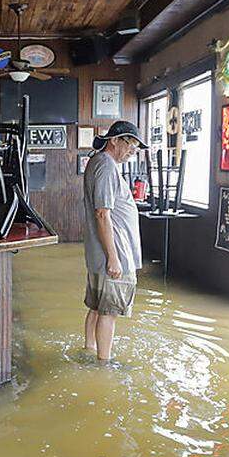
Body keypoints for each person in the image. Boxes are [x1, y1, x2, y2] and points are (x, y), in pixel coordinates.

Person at [83, 121, 146, 362]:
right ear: (115, 140)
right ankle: (104, 364)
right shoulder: (107, 167)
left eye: (136, 146)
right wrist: (114, 258)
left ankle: (89, 351)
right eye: (130, 143)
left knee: (97, 307)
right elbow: (102, 213)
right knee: (109, 312)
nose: (133, 150)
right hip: (112, 254)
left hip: (100, 254)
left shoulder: (98, 162)